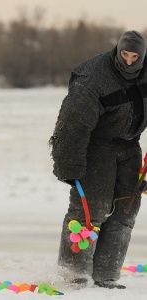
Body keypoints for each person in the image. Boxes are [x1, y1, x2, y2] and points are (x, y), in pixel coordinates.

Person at [49, 30, 147, 289]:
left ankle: (106, 275)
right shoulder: (93, 75)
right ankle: (74, 275)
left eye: (135, 57)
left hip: (130, 146)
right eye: (124, 54)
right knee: (92, 209)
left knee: (127, 209)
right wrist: (68, 165)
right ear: (118, 50)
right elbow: (72, 124)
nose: (128, 61)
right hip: (96, 147)